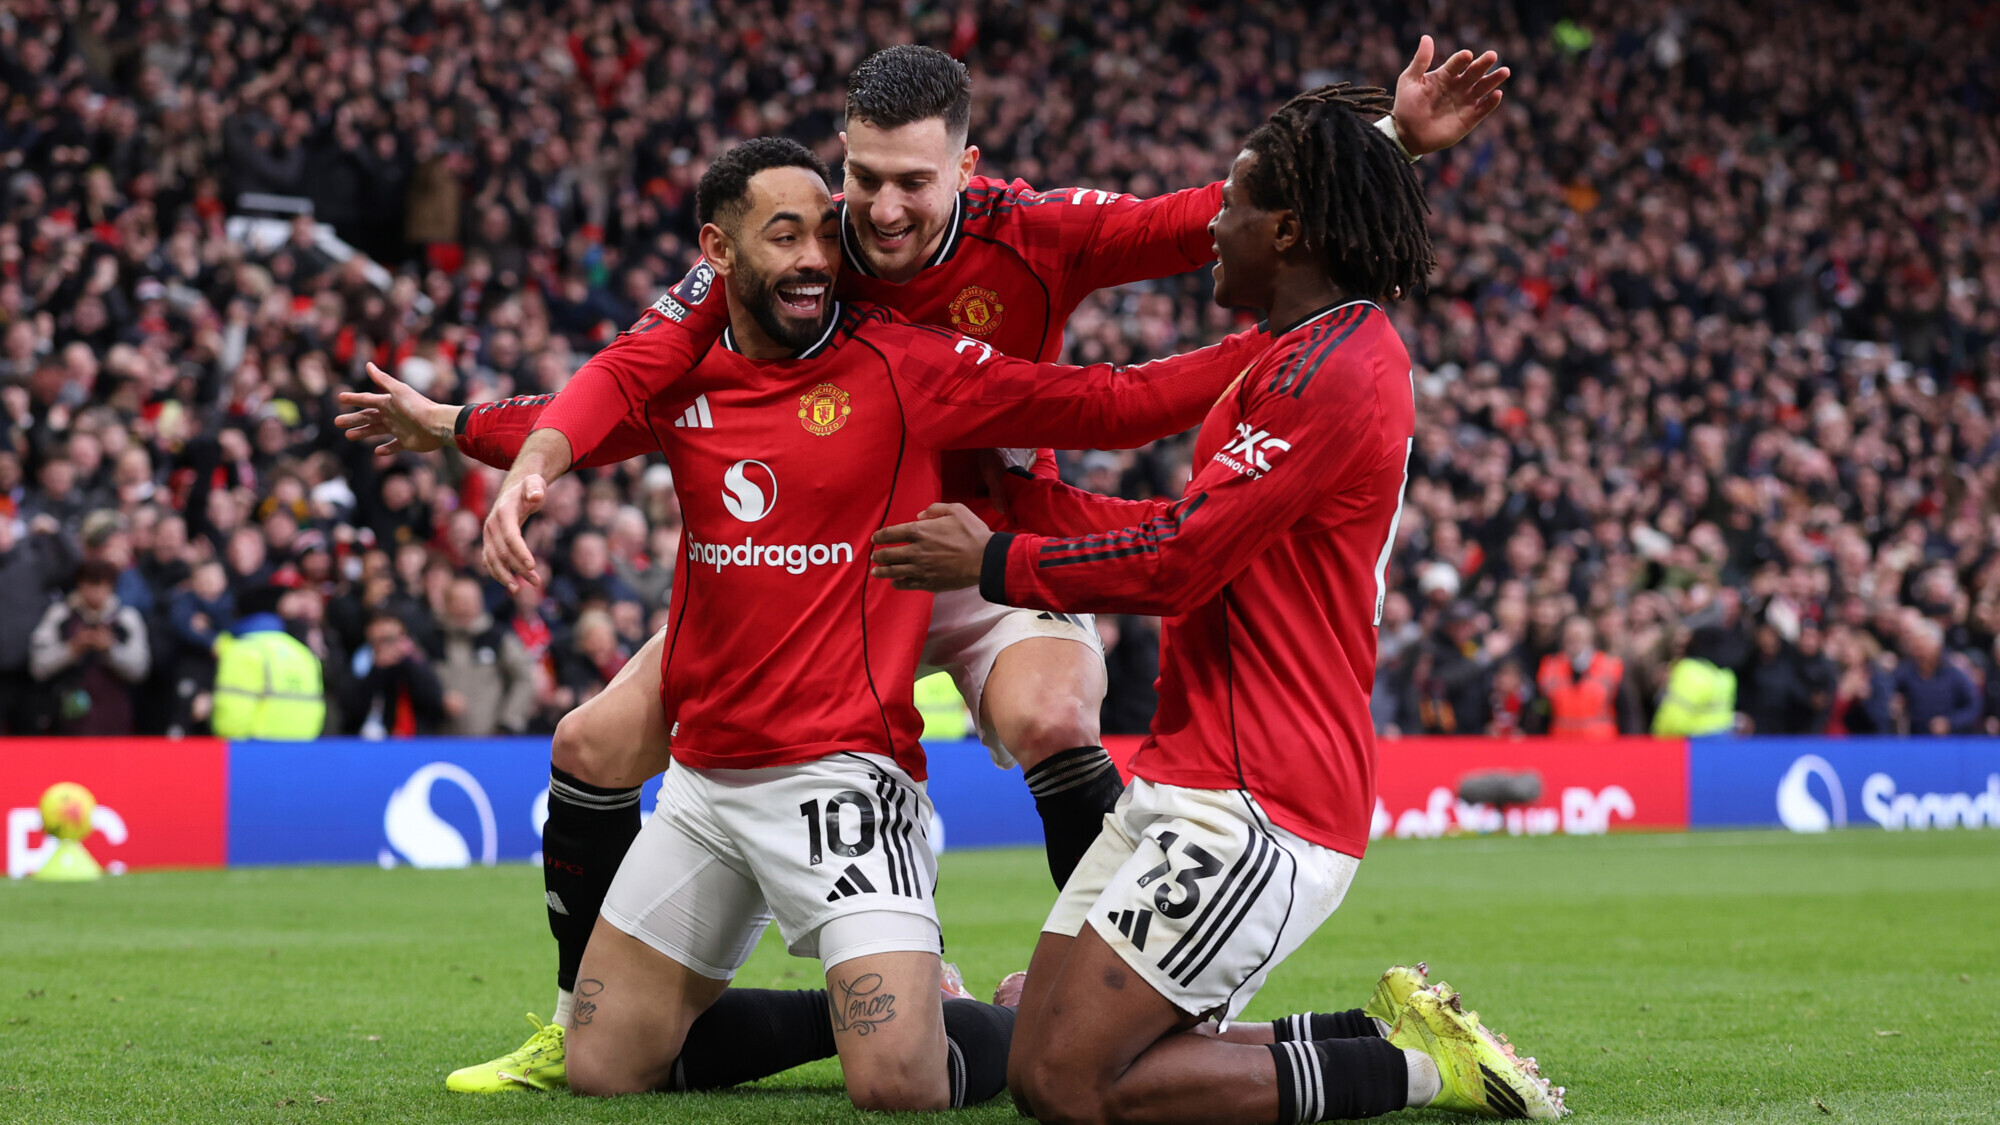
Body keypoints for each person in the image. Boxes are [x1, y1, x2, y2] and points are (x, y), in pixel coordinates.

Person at [337, 39, 1511, 1093]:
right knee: (592, 743)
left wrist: (1389, 144)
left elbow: (1212, 225)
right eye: (864, 179)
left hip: (995, 542)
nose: (881, 210)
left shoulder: (1034, 236)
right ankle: (579, 1021)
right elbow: (638, 374)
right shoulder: (798, 240)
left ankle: (1143, 1008)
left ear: (967, 169)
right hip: (846, 552)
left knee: (1052, 714)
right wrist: (475, 432)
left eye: (913, 181)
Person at [869, 86, 1564, 1122]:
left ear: (1284, 231)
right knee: (1036, 1049)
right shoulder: (1290, 354)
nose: (1212, 228)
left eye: (1230, 206)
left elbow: (1179, 561)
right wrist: (1020, 503)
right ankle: (1376, 1034)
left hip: (1264, 796)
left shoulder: (1337, 369)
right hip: (1193, 771)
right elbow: (1176, 525)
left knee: (1068, 1082)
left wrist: (1000, 559)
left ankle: (1423, 1074)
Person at [29, 557, 151, 736]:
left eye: (101, 584)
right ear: (79, 585)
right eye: (90, 584)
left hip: (114, 718)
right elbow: (38, 666)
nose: (95, 592)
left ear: (111, 586)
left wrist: (110, 649)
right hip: (66, 717)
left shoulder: (126, 618)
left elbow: (140, 669)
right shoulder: (60, 615)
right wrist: (72, 649)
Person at [211, 585, 326, 740]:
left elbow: (232, 720)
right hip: (302, 749)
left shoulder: (242, 651)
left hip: (251, 750)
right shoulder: (304, 653)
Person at [0, 512, 75, 733]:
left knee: (30, 738)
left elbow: (73, 565)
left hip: (29, 671)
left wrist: (57, 532)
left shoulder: (32, 563)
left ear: (12, 532)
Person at [435, 575, 537, 736]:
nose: (464, 607)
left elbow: (524, 678)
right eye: (458, 601)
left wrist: (509, 721)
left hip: (490, 738)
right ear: (447, 604)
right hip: (437, 739)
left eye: (469, 601)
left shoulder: (498, 638)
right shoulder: (432, 640)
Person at [343, 611, 447, 738]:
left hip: (414, 737)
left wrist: (407, 660)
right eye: (380, 640)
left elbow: (434, 699)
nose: (386, 646)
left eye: (390, 639)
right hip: (364, 738)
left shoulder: (414, 660)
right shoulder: (359, 659)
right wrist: (376, 668)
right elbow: (351, 708)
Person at [1535, 615, 1638, 738]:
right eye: (1570, 638)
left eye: (1580, 638)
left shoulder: (1611, 667)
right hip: (1561, 741)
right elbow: (1540, 711)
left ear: (1590, 639)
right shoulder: (1550, 668)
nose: (1575, 643)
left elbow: (1628, 712)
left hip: (1600, 741)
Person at [1891, 619, 1980, 735]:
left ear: (1937, 647)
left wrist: (1950, 722)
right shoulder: (1905, 673)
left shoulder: (1954, 674)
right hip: (1916, 739)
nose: (1920, 654)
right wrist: (1895, 704)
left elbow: (1973, 706)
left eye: (1923, 648)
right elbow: (1893, 696)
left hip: (1950, 739)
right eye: (1916, 648)